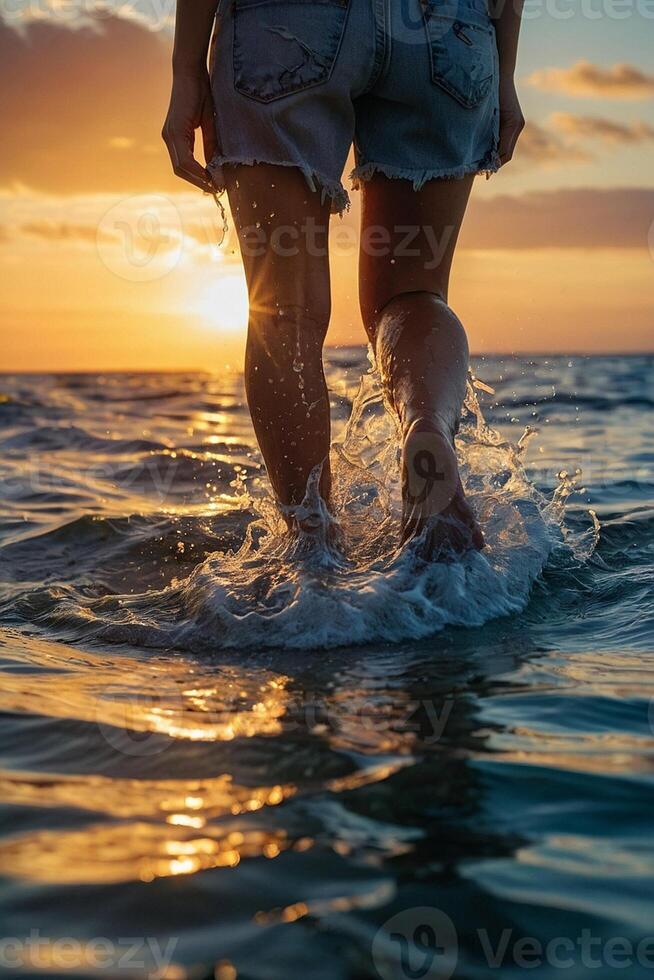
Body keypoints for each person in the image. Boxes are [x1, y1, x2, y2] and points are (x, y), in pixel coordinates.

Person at [163, 0, 524, 556]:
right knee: (412, 293)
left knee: (286, 311)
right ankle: (425, 425)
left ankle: (312, 553)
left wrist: (186, 68)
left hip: (288, 26)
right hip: (447, 29)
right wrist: (504, 70)